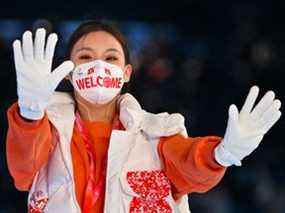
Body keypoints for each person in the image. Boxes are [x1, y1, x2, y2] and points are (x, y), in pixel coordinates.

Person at [6, 20, 282, 213]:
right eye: (86, 57)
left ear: (126, 73)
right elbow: (23, 174)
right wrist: (30, 114)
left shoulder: (155, 132)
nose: (98, 65)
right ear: (69, 71)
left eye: (111, 58)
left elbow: (189, 164)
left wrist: (222, 154)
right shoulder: (46, 128)